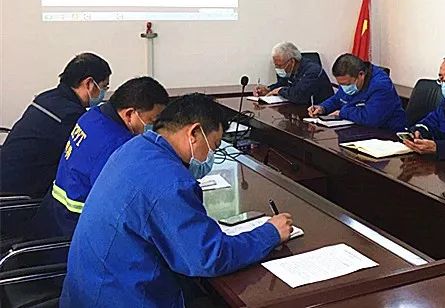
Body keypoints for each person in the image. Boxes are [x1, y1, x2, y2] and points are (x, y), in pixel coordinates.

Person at [61, 93, 294, 307]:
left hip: (88, 291)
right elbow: (209, 258)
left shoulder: (136, 147)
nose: (211, 155)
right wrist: (270, 233)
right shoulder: (170, 182)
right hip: (122, 297)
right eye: (213, 146)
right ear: (194, 133)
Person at [31, 77, 169, 238]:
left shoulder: (93, 116)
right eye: (153, 121)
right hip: (73, 228)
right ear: (129, 114)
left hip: (52, 212)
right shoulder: (117, 145)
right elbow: (120, 203)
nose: (155, 127)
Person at [0, 53, 111, 197]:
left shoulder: (46, 97)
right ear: (89, 83)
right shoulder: (70, 115)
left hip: (7, 168)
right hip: (20, 187)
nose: (104, 93)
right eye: (104, 87)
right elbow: (88, 155)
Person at [308, 54, 405, 130]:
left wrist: (343, 112)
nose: (345, 88)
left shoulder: (380, 85)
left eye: (347, 84)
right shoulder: (349, 80)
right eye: (341, 84)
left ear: (361, 75)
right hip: (359, 129)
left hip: (388, 133)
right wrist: (323, 108)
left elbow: (371, 118)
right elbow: (339, 99)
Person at [253, 42, 333, 104]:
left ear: (292, 61)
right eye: (276, 65)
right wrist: (268, 89)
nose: (277, 69)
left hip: (320, 112)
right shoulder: (292, 70)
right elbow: (283, 83)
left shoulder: (312, 71)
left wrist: (280, 91)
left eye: (280, 65)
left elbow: (298, 95)